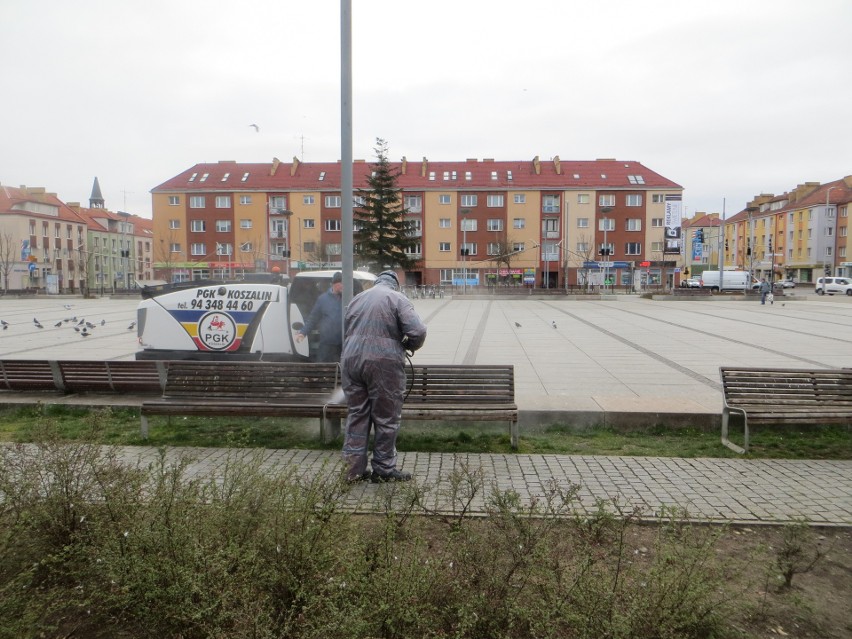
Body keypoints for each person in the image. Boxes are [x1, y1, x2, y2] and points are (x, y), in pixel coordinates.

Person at [340, 270, 427, 483]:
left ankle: (353, 470)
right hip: (382, 362)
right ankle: (384, 469)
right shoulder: (397, 298)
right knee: (386, 417)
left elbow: (346, 330)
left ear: (378, 281)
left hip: (351, 360)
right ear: (394, 284)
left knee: (357, 414)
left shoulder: (356, 300)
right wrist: (407, 345)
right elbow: (418, 331)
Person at [295, 271, 343, 362]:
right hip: (327, 343)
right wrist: (303, 333)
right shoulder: (323, 299)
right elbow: (313, 318)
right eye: (341, 283)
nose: (344, 286)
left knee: (342, 370)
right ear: (334, 284)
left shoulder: (349, 298)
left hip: (344, 344)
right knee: (324, 369)